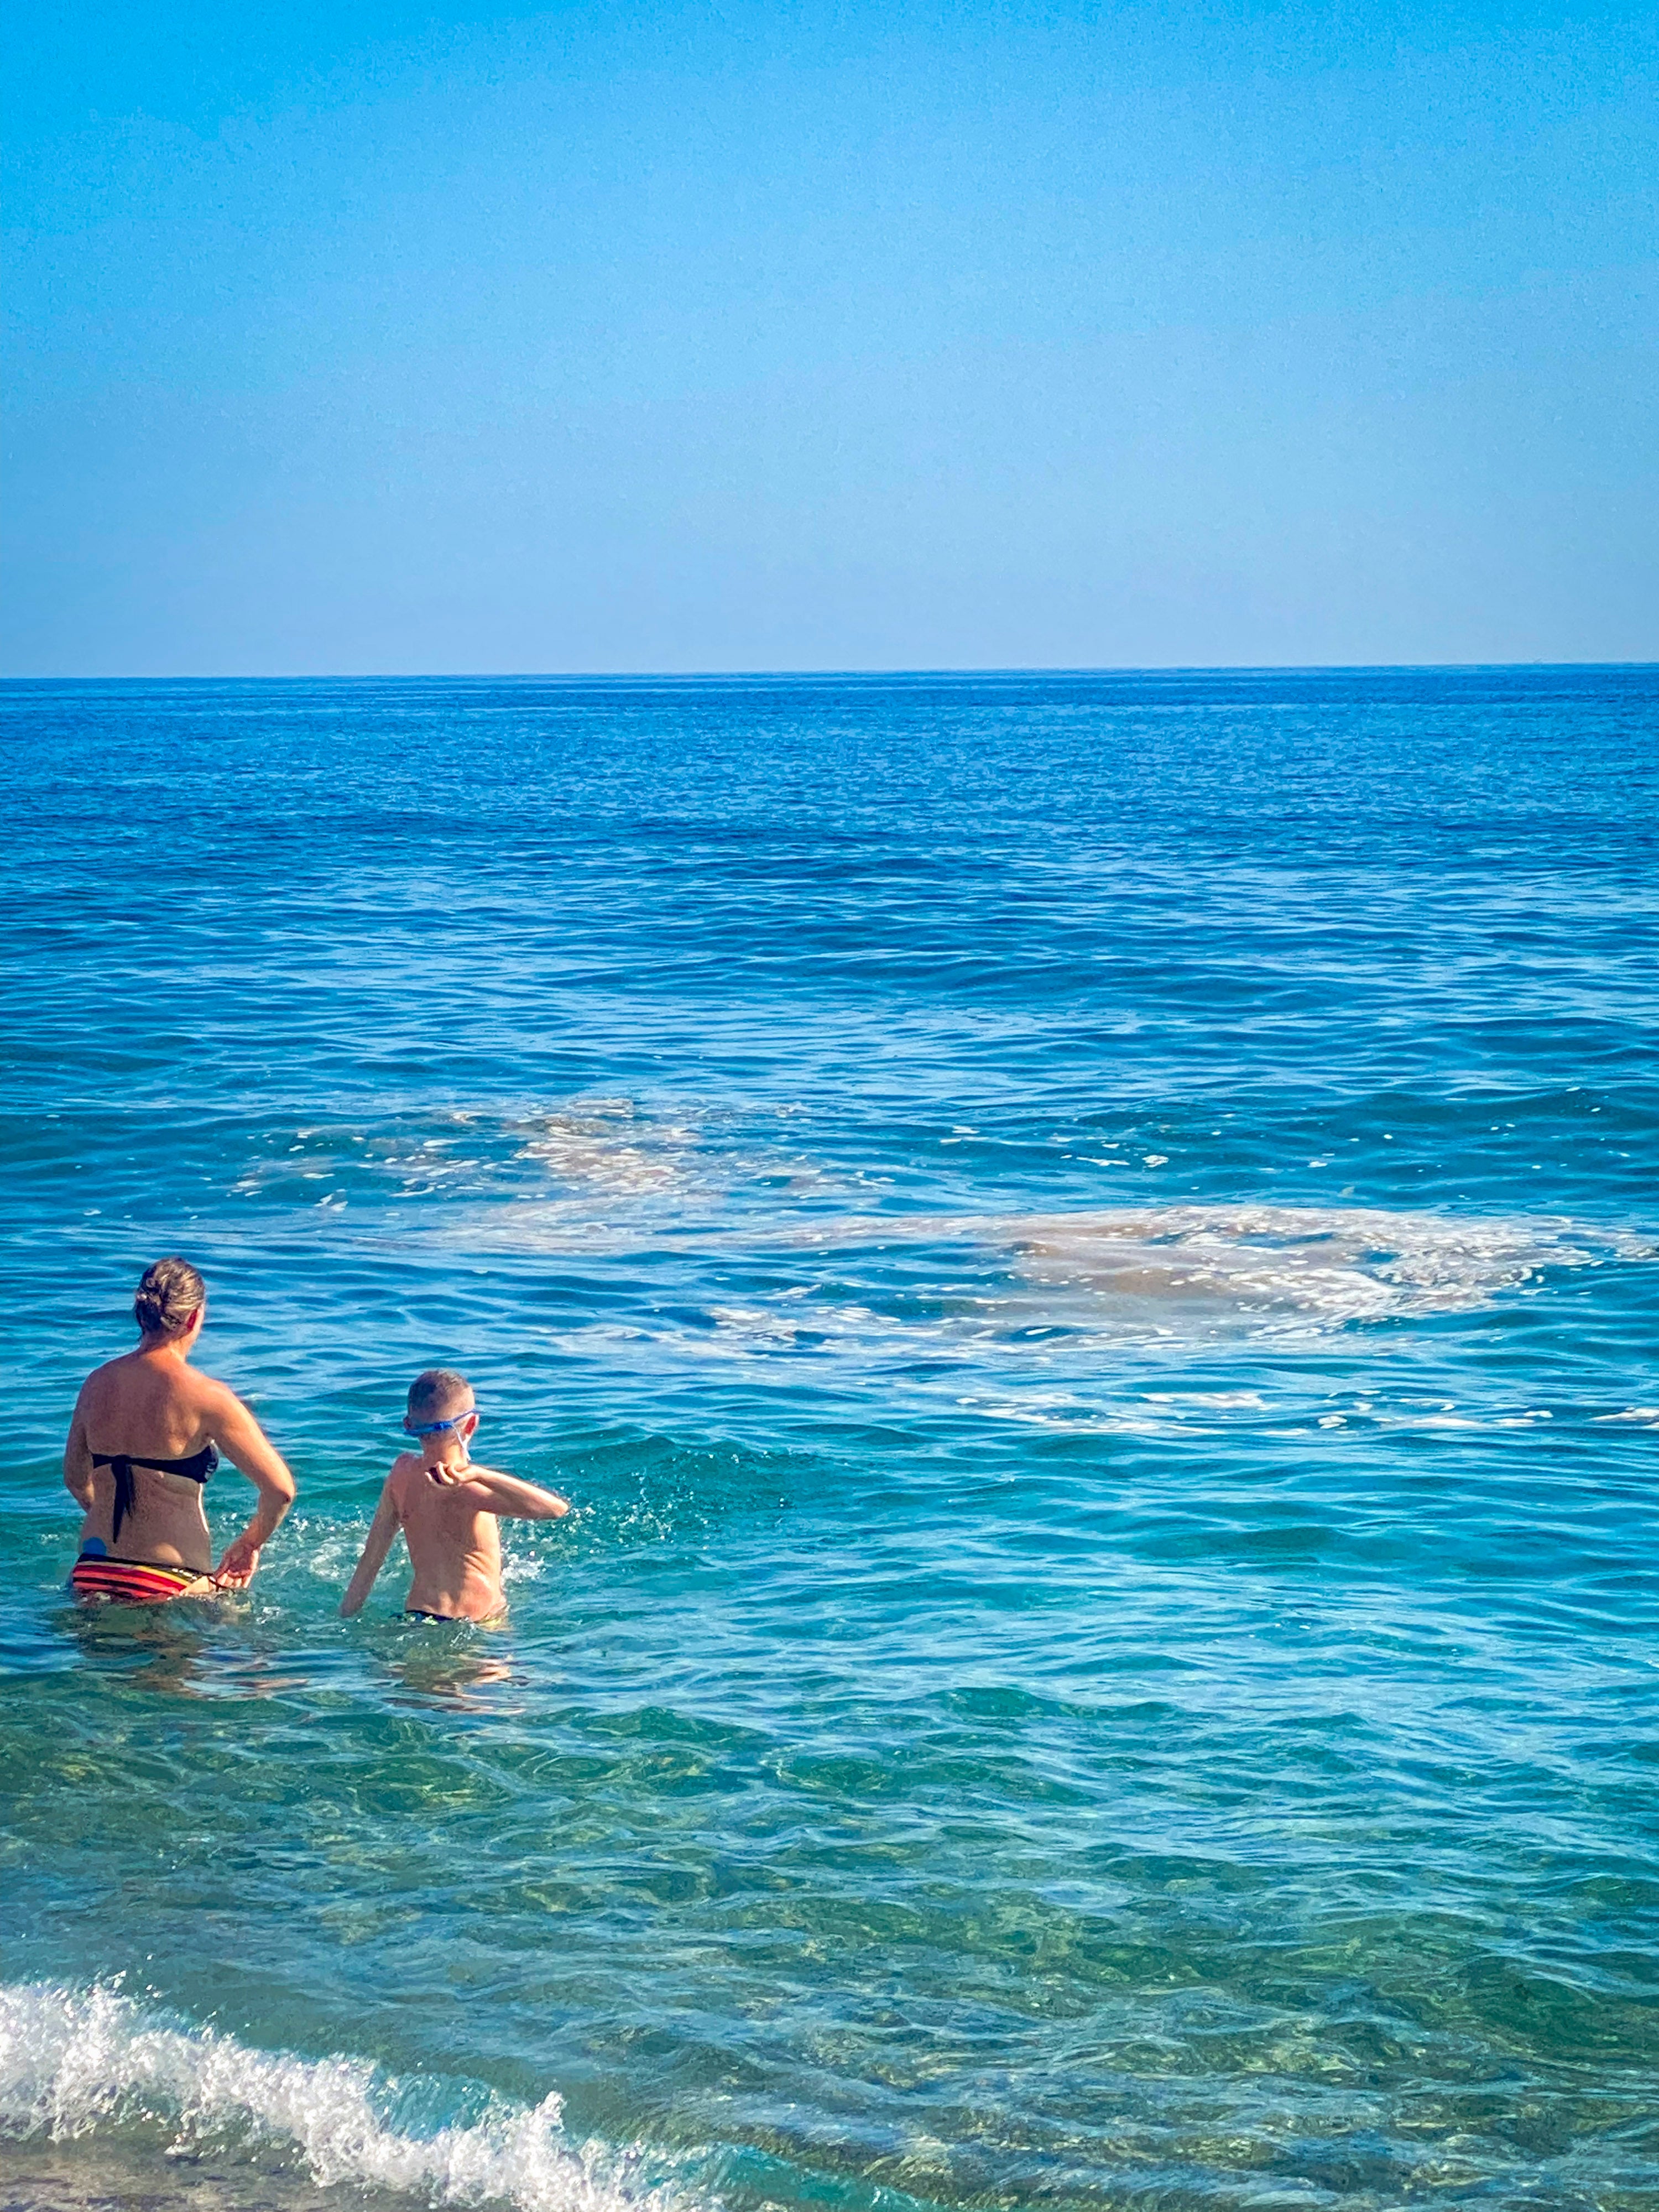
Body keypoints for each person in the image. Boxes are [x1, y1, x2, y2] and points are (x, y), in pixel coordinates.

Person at [64, 1258, 296, 1603]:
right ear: (193, 1317)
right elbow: (281, 1490)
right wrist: (250, 1543)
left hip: (92, 1572)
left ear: (142, 1314)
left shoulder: (95, 1384)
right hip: (168, 1581)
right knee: (255, 1652)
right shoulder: (207, 1396)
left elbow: (75, 1479)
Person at [340, 1368, 570, 1624]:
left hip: (416, 1617)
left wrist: (345, 1616)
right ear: (472, 1424)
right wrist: (482, 1474)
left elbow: (371, 1558)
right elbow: (555, 1509)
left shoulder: (400, 1474)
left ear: (408, 1425)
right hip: (474, 1621)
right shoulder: (470, 1488)